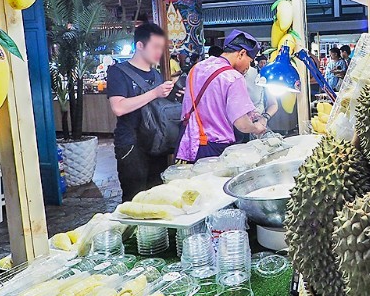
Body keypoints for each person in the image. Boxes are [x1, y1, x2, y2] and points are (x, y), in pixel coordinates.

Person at [106, 22, 175, 200]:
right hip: (131, 145)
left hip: (156, 144)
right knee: (134, 198)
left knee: (155, 196)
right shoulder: (118, 72)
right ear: (140, 45)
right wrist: (155, 93)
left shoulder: (156, 75)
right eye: (155, 47)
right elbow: (118, 107)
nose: (159, 52)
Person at [176, 29, 267, 162]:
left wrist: (252, 114)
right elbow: (242, 124)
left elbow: (210, 102)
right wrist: (255, 128)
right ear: (241, 53)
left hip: (187, 142)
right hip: (214, 147)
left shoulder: (197, 68)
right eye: (249, 61)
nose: (248, 67)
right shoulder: (233, 77)